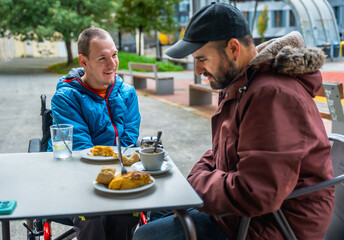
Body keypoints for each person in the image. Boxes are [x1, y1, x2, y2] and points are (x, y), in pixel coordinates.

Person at [133, 2, 334, 240]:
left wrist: (197, 182)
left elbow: (256, 193)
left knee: (146, 235)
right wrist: (197, 177)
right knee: (159, 208)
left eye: (202, 58)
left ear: (232, 49)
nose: (197, 70)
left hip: (273, 224)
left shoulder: (271, 95)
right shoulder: (244, 84)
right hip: (248, 213)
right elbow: (222, 149)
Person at [48, 27, 141, 240]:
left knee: (127, 213)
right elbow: (83, 151)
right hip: (78, 179)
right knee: (94, 214)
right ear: (83, 62)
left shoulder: (127, 93)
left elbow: (128, 141)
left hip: (117, 176)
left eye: (114, 55)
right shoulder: (65, 98)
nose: (112, 64)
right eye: (102, 58)